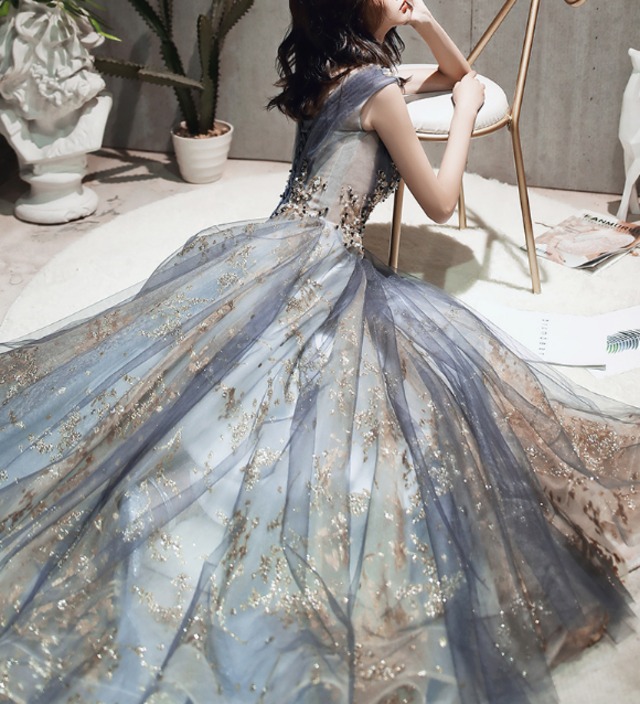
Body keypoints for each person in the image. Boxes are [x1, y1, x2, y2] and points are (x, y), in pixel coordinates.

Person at [0, 1, 638, 702]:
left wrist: (425, 24)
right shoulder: (380, 90)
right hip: (324, 267)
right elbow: (440, 198)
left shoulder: (335, 69)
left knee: (210, 380)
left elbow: (459, 72)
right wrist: (461, 117)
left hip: (278, 245)